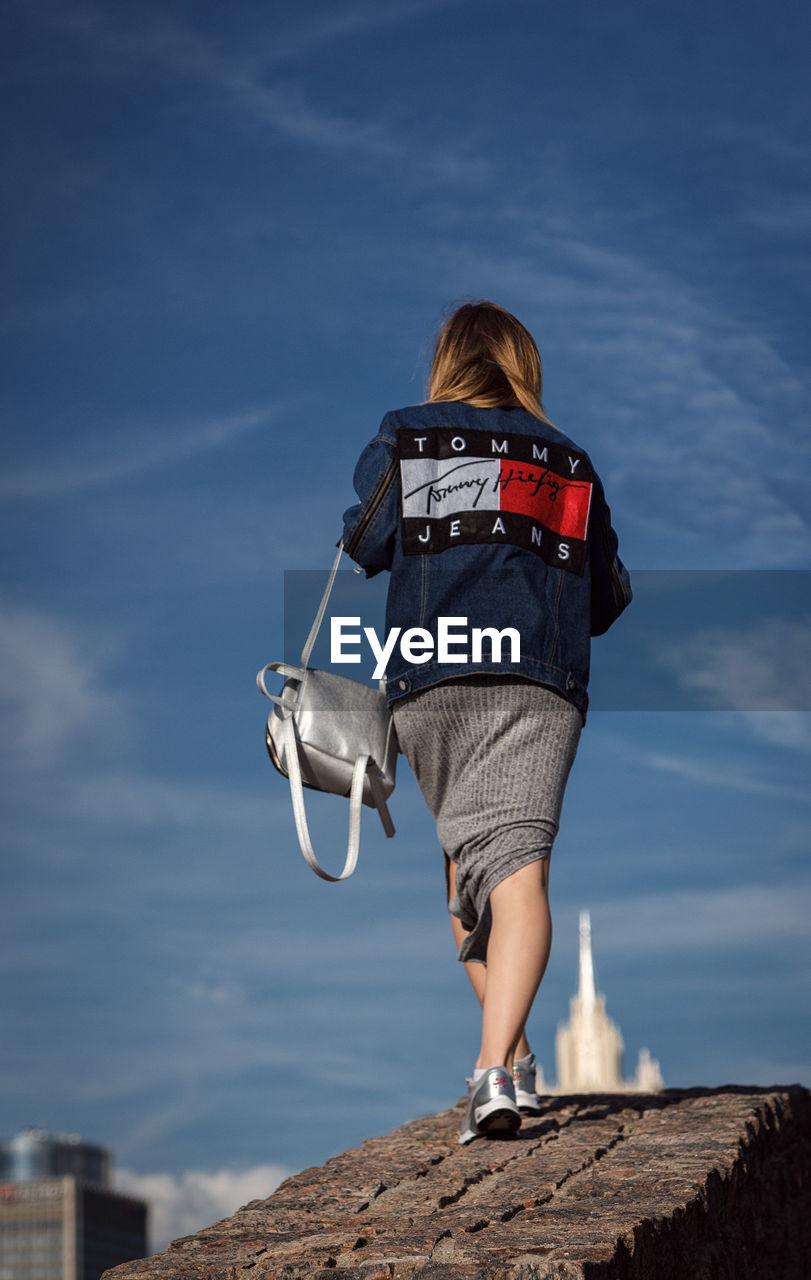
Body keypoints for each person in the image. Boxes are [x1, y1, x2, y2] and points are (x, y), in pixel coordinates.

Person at [341, 300, 632, 1144]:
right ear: (520, 364)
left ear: (448, 362)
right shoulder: (568, 460)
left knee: (466, 882)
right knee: (516, 871)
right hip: (535, 681)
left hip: (434, 676)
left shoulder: (409, 432)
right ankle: (503, 1067)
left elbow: (367, 541)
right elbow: (605, 595)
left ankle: (504, 1064)